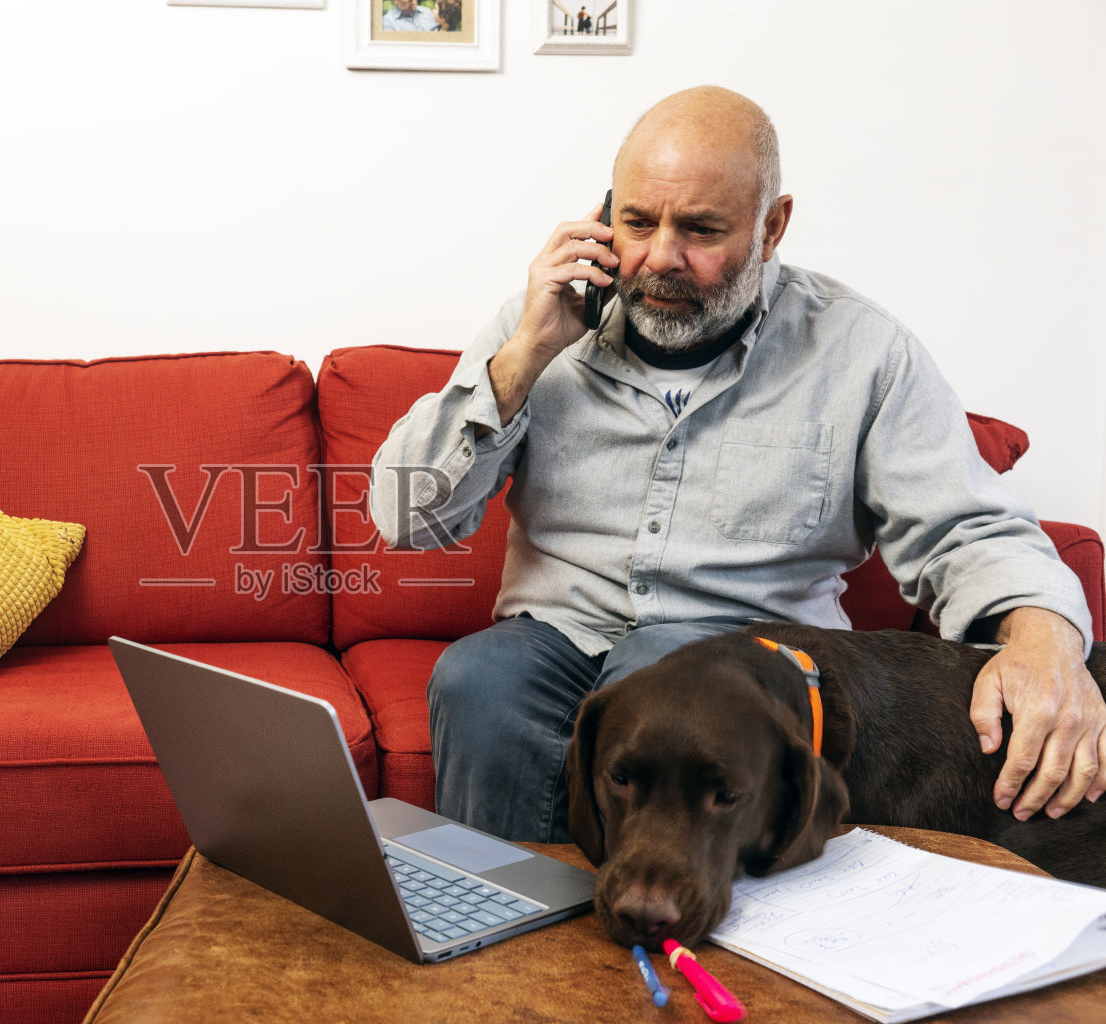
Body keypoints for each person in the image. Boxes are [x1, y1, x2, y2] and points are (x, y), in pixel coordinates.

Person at [369, 86, 1105, 845]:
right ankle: (494, 933)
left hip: (755, 657)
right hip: (558, 635)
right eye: (636, 222)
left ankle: (644, 941)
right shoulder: (541, 324)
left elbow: (966, 527)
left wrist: (1044, 635)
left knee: (666, 678)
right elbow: (403, 517)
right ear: (602, 214)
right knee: (478, 677)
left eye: (701, 230)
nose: (660, 257)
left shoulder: (861, 350)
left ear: (772, 226)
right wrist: (521, 358)